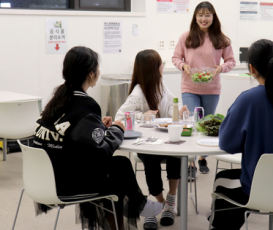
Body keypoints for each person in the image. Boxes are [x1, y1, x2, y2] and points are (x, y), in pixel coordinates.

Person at [33, 46, 163, 230]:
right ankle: (137, 206)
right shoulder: (86, 105)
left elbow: (71, 133)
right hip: (66, 182)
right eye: (98, 68)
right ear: (92, 74)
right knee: (119, 167)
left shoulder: (59, 98)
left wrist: (98, 126)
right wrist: (117, 129)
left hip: (42, 177)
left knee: (115, 168)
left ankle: (135, 206)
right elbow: (101, 151)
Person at [209, 39, 273, 230]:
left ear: (251, 69)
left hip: (259, 187)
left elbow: (227, 144)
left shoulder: (248, 100)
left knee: (223, 179)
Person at [115, 49, 188, 230]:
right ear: (153, 68)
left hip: (164, 139)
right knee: (150, 159)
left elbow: (170, 109)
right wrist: (142, 116)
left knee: (176, 152)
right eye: (160, 63)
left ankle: (170, 200)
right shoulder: (138, 93)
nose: (163, 66)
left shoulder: (161, 85)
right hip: (147, 144)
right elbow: (120, 117)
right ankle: (159, 204)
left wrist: (177, 113)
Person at [172, 1, 236, 175]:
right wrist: (183, 66)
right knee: (193, 122)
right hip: (189, 86)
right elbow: (176, 58)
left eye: (207, 15)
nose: (203, 18)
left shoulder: (222, 39)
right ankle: (191, 162)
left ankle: (202, 158)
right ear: (195, 17)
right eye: (200, 15)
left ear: (213, 17)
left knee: (207, 125)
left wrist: (220, 68)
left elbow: (231, 61)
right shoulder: (186, 37)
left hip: (212, 88)